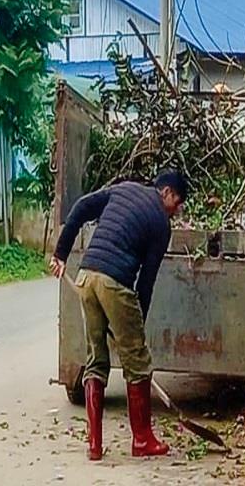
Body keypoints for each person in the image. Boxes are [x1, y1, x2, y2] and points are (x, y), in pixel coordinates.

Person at [50, 169, 188, 461]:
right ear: (167, 193)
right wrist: (136, 327)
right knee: (137, 363)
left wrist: (61, 253)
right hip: (114, 281)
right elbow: (145, 282)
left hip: (87, 276)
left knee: (96, 361)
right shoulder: (161, 224)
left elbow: (81, 208)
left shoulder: (123, 189)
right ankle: (141, 440)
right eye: (178, 203)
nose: (177, 211)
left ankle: (94, 445)